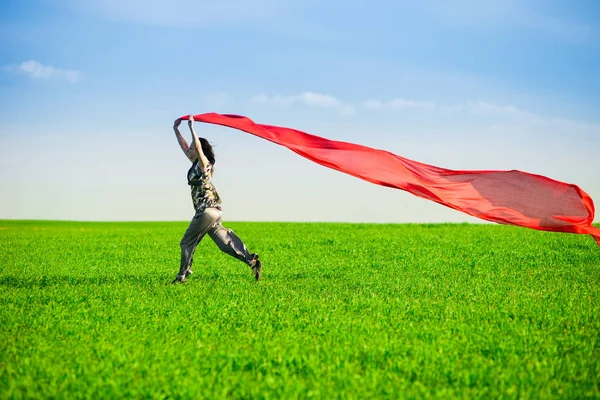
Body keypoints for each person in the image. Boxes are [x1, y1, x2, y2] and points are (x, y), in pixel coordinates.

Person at [171, 116, 262, 284]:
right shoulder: (196, 163)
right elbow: (186, 148)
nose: (189, 150)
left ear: (200, 151)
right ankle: (251, 260)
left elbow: (196, 147)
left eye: (193, 148)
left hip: (205, 211)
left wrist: (192, 127)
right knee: (224, 243)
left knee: (186, 242)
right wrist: (176, 129)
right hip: (214, 211)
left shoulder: (203, 164)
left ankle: (181, 276)